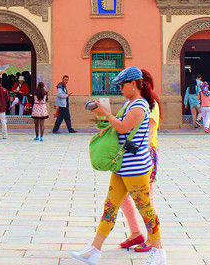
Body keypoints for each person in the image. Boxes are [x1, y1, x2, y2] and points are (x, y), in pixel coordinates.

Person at [70, 66, 165, 265]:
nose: (120, 88)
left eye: (122, 85)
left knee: (145, 208)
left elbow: (123, 127)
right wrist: (103, 115)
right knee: (110, 206)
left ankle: (158, 252)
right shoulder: (129, 104)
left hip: (136, 167)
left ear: (134, 84)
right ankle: (94, 249)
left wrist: (107, 113)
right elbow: (119, 128)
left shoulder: (139, 105)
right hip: (123, 166)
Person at [120, 69, 162, 253]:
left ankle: (153, 239)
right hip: (132, 154)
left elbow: (149, 132)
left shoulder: (149, 104)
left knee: (146, 199)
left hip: (143, 155)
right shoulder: (135, 103)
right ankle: (136, 232)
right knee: (122, 196)